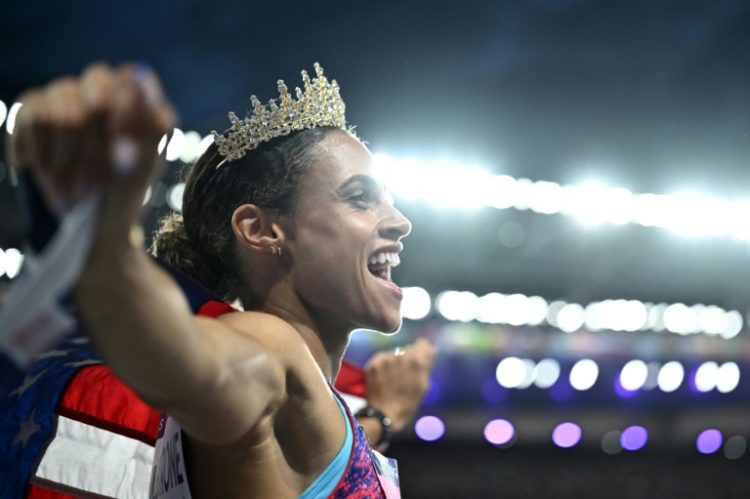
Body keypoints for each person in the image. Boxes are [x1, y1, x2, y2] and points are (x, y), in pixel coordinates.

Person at [7, 62, 436, 498]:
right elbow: (192, 362)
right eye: (359, 198)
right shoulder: (271, 348)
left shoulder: (303, 411)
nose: (400, 222)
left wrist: (380, 418)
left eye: (390, 201)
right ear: (261, 230)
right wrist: (104, 248)